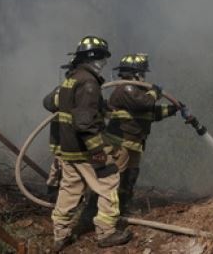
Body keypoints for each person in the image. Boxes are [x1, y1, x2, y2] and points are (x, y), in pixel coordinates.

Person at [43, 36, 132, 252]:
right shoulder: (89, 82)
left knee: (70, 190)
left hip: (68, 148)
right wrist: (98, 152)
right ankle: (106, 232)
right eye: (102, 58)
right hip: (84, 149)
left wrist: (102, 109)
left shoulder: (71, 79)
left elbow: (61, 105)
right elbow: (84, 122)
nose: (103, 63)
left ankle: (60, 235)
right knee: (110, 182)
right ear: (94, 58)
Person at [104, 53, 194, 214]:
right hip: (120, 144)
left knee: (129, 177)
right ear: (136, 73)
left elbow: (150, 114)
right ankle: (101, 215)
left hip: (134, 143)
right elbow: (144, 104)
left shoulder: (137, 92)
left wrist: (174, 108)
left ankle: (123, 208)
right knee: (113, 179)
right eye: (143, 73)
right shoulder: (125, 89)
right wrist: (155, 92)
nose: (144, 77)